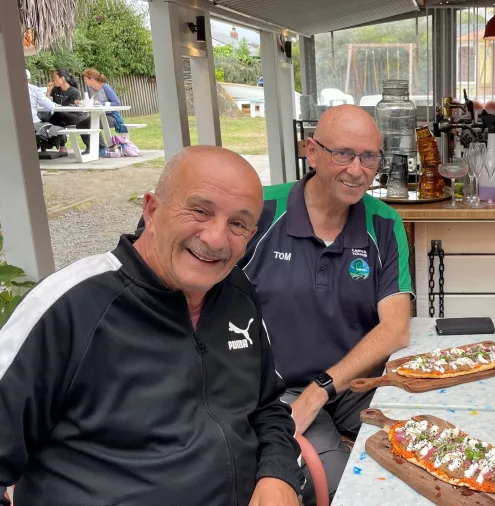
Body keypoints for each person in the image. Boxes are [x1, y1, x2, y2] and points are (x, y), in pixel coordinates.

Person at [0, 146, 304, 506]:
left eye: (237, 223)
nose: (216, 239)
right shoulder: (70, 306)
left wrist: (277, 474)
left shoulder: (237, 291)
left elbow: (267, 405)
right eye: (199, 211)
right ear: (152, 210)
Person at [240, 104, 413, 504]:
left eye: (369, 156)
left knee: (424, 452)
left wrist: (321, 390)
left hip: (356, 385)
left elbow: (395, 329)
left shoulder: (385, 223)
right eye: (343, 154)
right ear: (311, 152)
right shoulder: (261, 212)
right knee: (340, 487)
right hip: (278, 392)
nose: (358, 170)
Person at [74, 68, 127, 156]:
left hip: (111, 116)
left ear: (92, 79)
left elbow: (117, 103)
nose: (84, 81)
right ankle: (90, 147)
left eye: (85, 79)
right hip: (97, 115)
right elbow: (92, 102)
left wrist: (101, 103)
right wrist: (82, 102)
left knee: (93, 124)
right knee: (81, 125)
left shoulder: (105, 87)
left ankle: (102, 148)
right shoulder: (90, 88)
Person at [43, 69, 83, 154]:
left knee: (56, 117)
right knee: (58, 120)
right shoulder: (55, 90)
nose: (53, 80)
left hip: (75, 117)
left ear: (62, 79)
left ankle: (52, 140)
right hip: (60, 117)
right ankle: (61, 145)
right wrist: (48, 92)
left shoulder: (74, 92)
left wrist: (58, 108)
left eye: (55, 77)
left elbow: (73, 109)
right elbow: (48, 103)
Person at [25, 69, 64, 152]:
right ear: (29, 80)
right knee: (55, 126)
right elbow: (50, 107)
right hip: (32, 122)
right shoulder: (33, 89)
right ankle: (52, 144)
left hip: (11, 124)